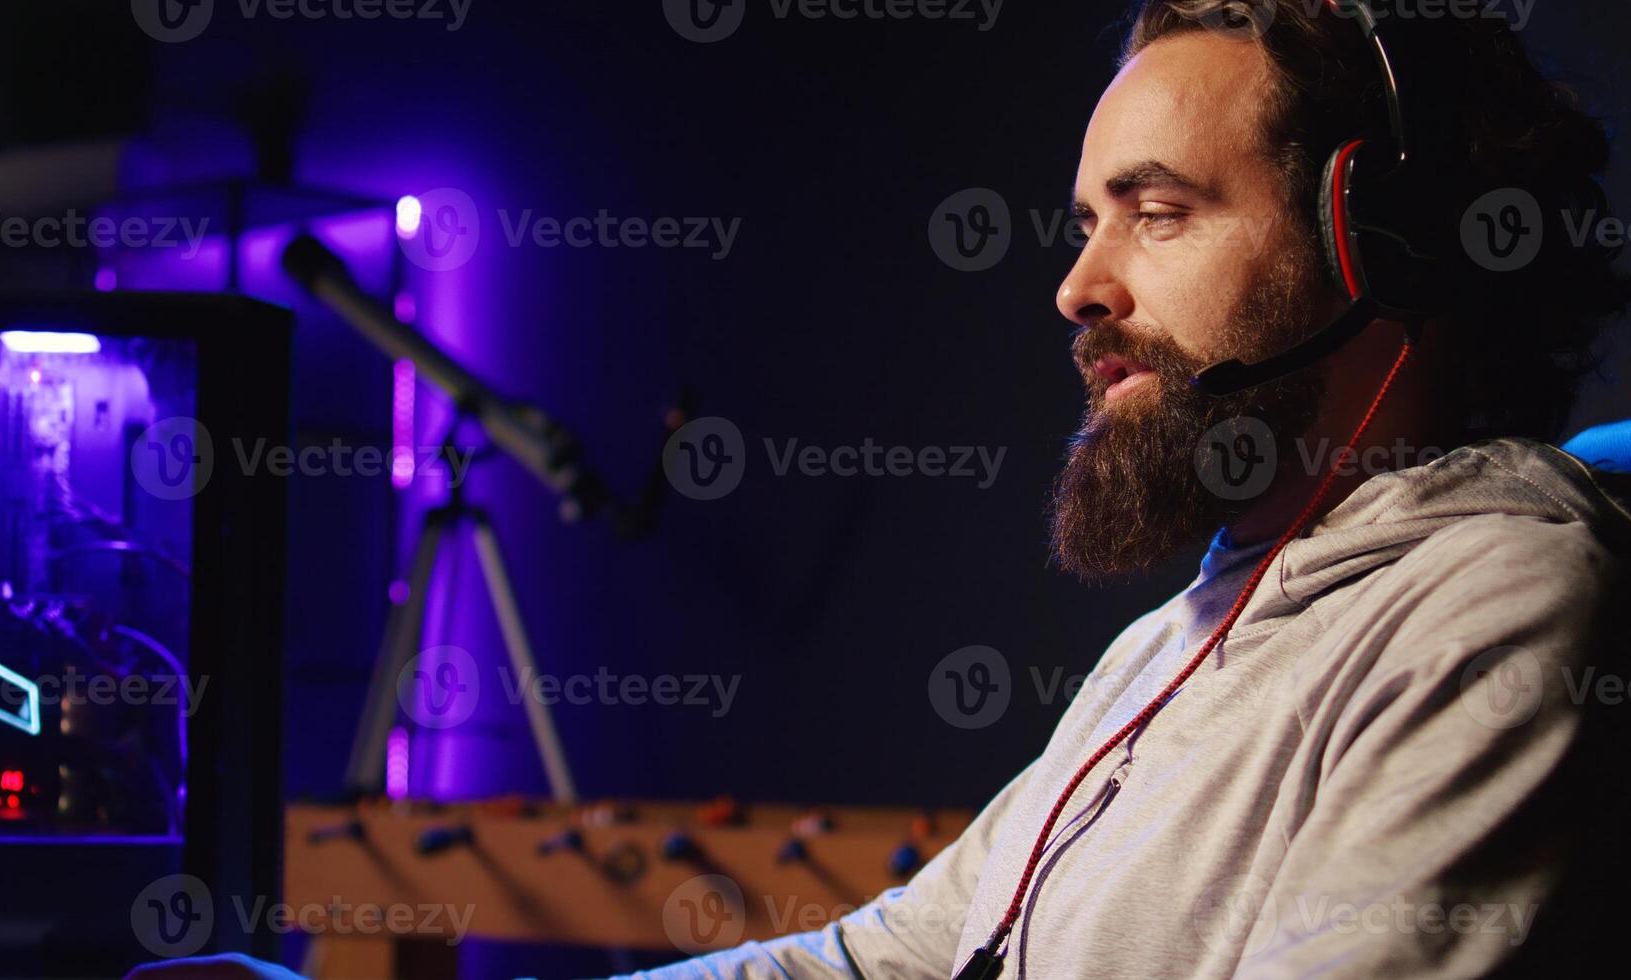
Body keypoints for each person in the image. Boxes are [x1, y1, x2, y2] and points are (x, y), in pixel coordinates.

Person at [631, 0, 1630, 977]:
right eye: (1086, 221)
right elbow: (892, 956)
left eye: (1155, 213)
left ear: (1379, 241)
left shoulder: (1492, 604)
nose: (1076, 287)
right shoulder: (1170, 639)